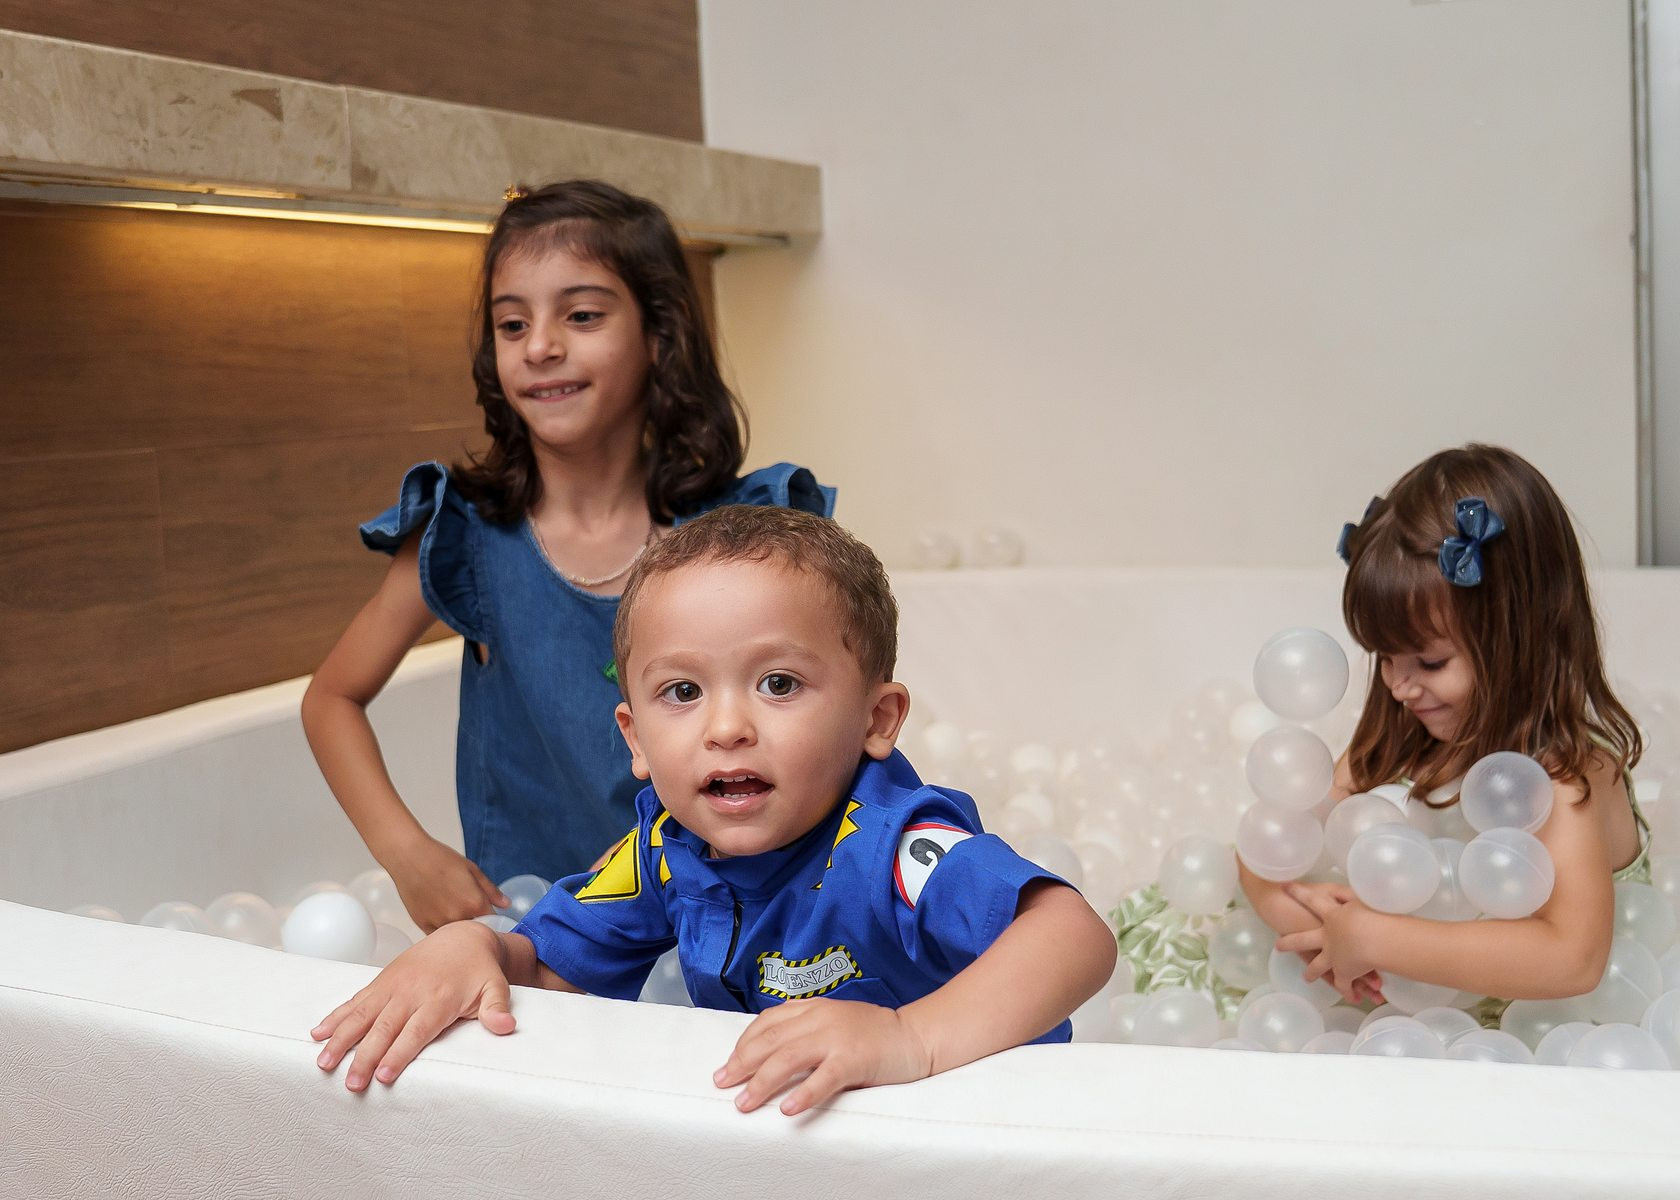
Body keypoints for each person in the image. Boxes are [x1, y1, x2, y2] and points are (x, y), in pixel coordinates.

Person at [310, 505, 1117, 1114]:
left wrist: (910, 1039)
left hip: (984, 1118)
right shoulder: (666, 849)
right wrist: (477, 949)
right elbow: (554, 970)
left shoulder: (894, 846)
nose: (727, 727)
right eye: (682, 692)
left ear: (877, 720)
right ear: (635, 737)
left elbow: (1073, 934)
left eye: (778, 683)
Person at [300, 180, 833, 934]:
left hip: (731, 929)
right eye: (512, 324)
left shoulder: (744, 534)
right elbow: (331, 700)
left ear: (659, 336)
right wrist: (407, 853)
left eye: (581, 316)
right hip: (541, 938)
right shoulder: (467, 536)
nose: (541, 346)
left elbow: (829, 717)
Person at [1118, 444, 1648, 1021]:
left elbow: (1573, 958)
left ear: (1522, 637)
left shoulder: (1567, 778)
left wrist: (1376, 940)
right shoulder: (1403, 743)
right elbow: (1266, 851)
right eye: (1385, 658)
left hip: (1484, 1023)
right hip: (1353, 1000)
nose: (1398, 686)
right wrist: (1316, 926)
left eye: (1430, 662)